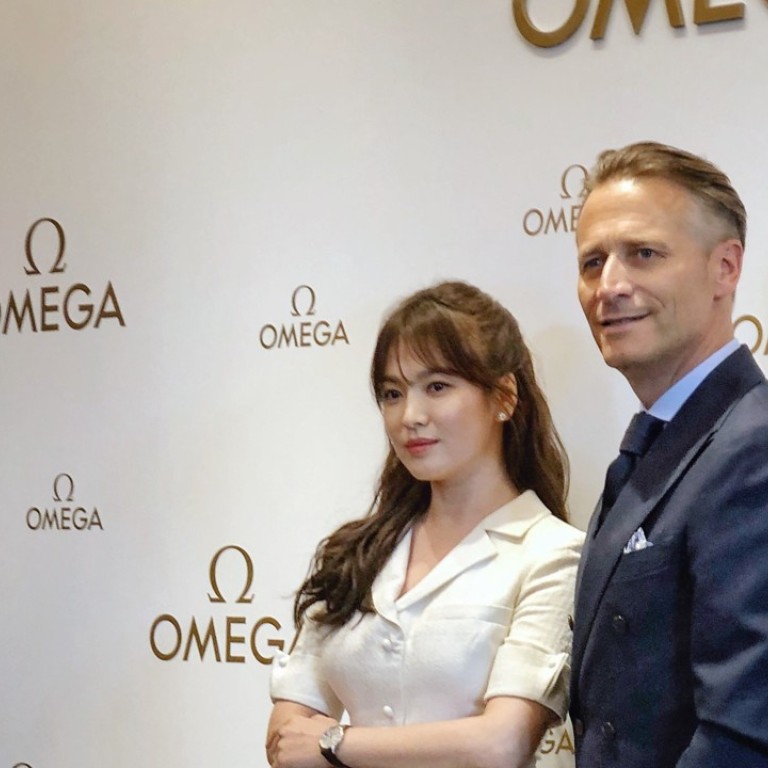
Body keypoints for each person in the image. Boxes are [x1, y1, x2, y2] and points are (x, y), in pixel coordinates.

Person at [266, 280, 583, 768]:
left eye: (437, 387)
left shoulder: (552, 553)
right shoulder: (357, 553)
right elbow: (287, 741)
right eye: (392, 393)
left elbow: (502, 745)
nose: (409, 416)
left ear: (503, 396)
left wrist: (335, 744)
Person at [570, 141, 768, 767]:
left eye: (644, 255)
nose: (611, 286)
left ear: (725, 268)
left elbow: (744, 733)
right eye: (593, 262)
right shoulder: (658, 441)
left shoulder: (753, 447)